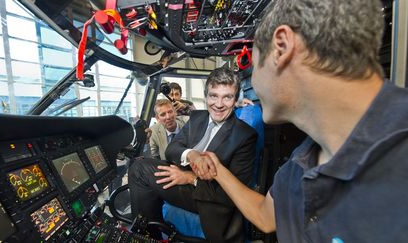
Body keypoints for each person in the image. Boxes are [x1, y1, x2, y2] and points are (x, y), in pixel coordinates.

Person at [196, 0, 408, 242]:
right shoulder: (298, 164)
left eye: (254, 64)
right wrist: (218, 169)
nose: (252, 81)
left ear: (281, 48)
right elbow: (265, 216)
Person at [128, 67, 257, 242]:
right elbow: (172, 149)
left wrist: (190, 178)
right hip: (182, 175)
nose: (219, 104)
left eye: (227, 97)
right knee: (140, 166)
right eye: (213, 96)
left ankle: (145, 238)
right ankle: (150, 235)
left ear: (235, 99)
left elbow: (234, 194)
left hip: (208, 195)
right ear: (206, 96)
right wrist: (192, 155)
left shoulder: (245, 136)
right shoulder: (198, 118)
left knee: (139, 170)